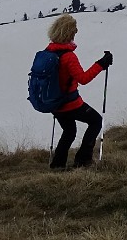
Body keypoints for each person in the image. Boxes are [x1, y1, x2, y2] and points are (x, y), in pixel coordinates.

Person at [43, 14, 113, 169]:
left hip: (55, 104)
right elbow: (83, 78)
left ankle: (58, 165)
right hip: (71, 103)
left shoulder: (48, 52)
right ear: (69, 33)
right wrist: (101, 64)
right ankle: (83, 160)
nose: (75, 34)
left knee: (69, 131)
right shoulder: (68, 57)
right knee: (95, 121)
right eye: (74, 32)